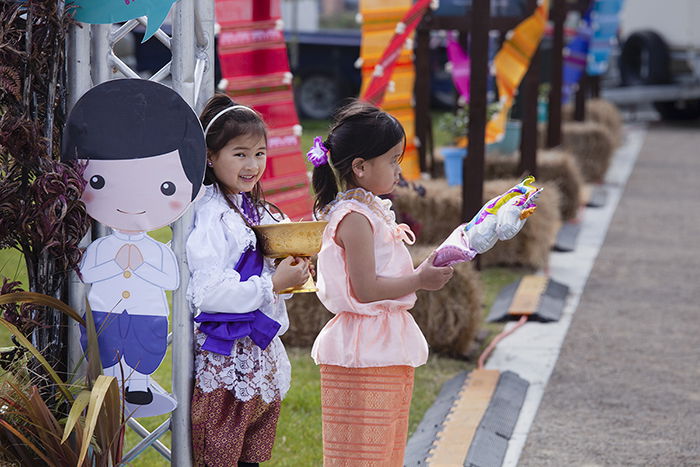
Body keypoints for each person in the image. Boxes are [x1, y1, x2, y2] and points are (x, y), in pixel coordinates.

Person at [309, 100, 454, 466]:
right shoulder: (355, 218)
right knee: (362, 454)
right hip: (363, 347)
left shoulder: (368, 211)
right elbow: (366, 290)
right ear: (360, 167)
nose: (398, 168)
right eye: (392, 159)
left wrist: (421, 270)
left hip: (382, 341)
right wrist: (419, 279)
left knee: (386, 449)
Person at [62, 78, 207, 417]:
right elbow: (87, 272)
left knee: (144, 345)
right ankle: (109, 383)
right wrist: (117, 265)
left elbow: (171, 280)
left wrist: (140, 266)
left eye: (166, 186)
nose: (133, 204)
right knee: (107, 345)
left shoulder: (158, 251)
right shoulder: (102, 247)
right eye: (98, 182)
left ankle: (139, 384)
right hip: (104, 310)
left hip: (148, 312)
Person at [186, 94, 309, 467]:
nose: (252, 164)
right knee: (220, 460)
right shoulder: (210, 215)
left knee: (250, 461)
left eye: (259, 153)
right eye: (240, 154)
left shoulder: (250, 208)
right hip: (225, 362)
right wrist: (271, 284)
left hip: (257, 357)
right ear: (210, 156)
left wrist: (294, 272)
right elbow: (207, 293)